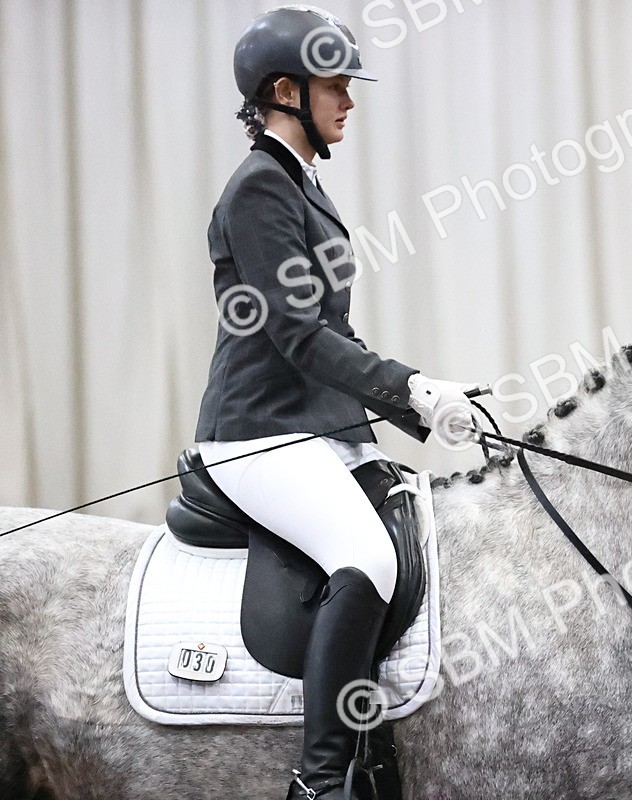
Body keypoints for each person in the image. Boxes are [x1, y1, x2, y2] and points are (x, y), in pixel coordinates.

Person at [193, 6, 473, 798]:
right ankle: (318, 783)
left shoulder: (299, 185)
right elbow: (300, 337)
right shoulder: (258, 191)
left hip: (316, 430)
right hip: (258, 435)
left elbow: (331, 333)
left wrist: (415, 406)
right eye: (335, 87)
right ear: (285, 92)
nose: (349, 102)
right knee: (369, 557)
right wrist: (410, 386)